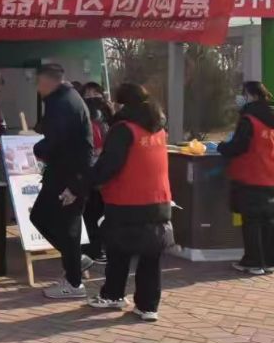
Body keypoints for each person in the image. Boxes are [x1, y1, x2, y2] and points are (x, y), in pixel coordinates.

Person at [84, 83, 173, 322]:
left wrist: (85, 183)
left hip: (126, 200)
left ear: (122, 104)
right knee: (150, 256)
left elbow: (109, 165)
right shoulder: (158, 128)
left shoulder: (124, 129)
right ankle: (148, 306)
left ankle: (113, 294)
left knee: (118, 250)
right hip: (158, 200)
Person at [30, 63, 95, 299]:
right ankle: (75, 263)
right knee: (48, 219)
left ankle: (74, 282)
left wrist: (37, 148)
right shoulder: (67, 98)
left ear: (49, 81)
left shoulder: (63, 103)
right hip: (66, 174)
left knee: (64, 225)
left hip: (69, 176)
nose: (38, 88)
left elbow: (56, 140)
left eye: (39, 83)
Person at [217, 81, 274, 276]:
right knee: (269, 221)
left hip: (252, 175)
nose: (241, 98)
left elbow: (239, 146)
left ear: (252, 95)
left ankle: (253, 262)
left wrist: (222, 147)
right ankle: (269, 261)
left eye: (243, 93)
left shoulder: (250, 119)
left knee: (252, 220)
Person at [81, 82, 114, 265]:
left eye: (96, 93)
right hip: (90, 171)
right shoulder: (83, 116)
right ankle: (93, 249)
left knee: (103, 211)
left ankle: (102, 246)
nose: (92, 97)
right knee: (91, 211)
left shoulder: (108, 116)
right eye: (88, 94)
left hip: (107, 170)